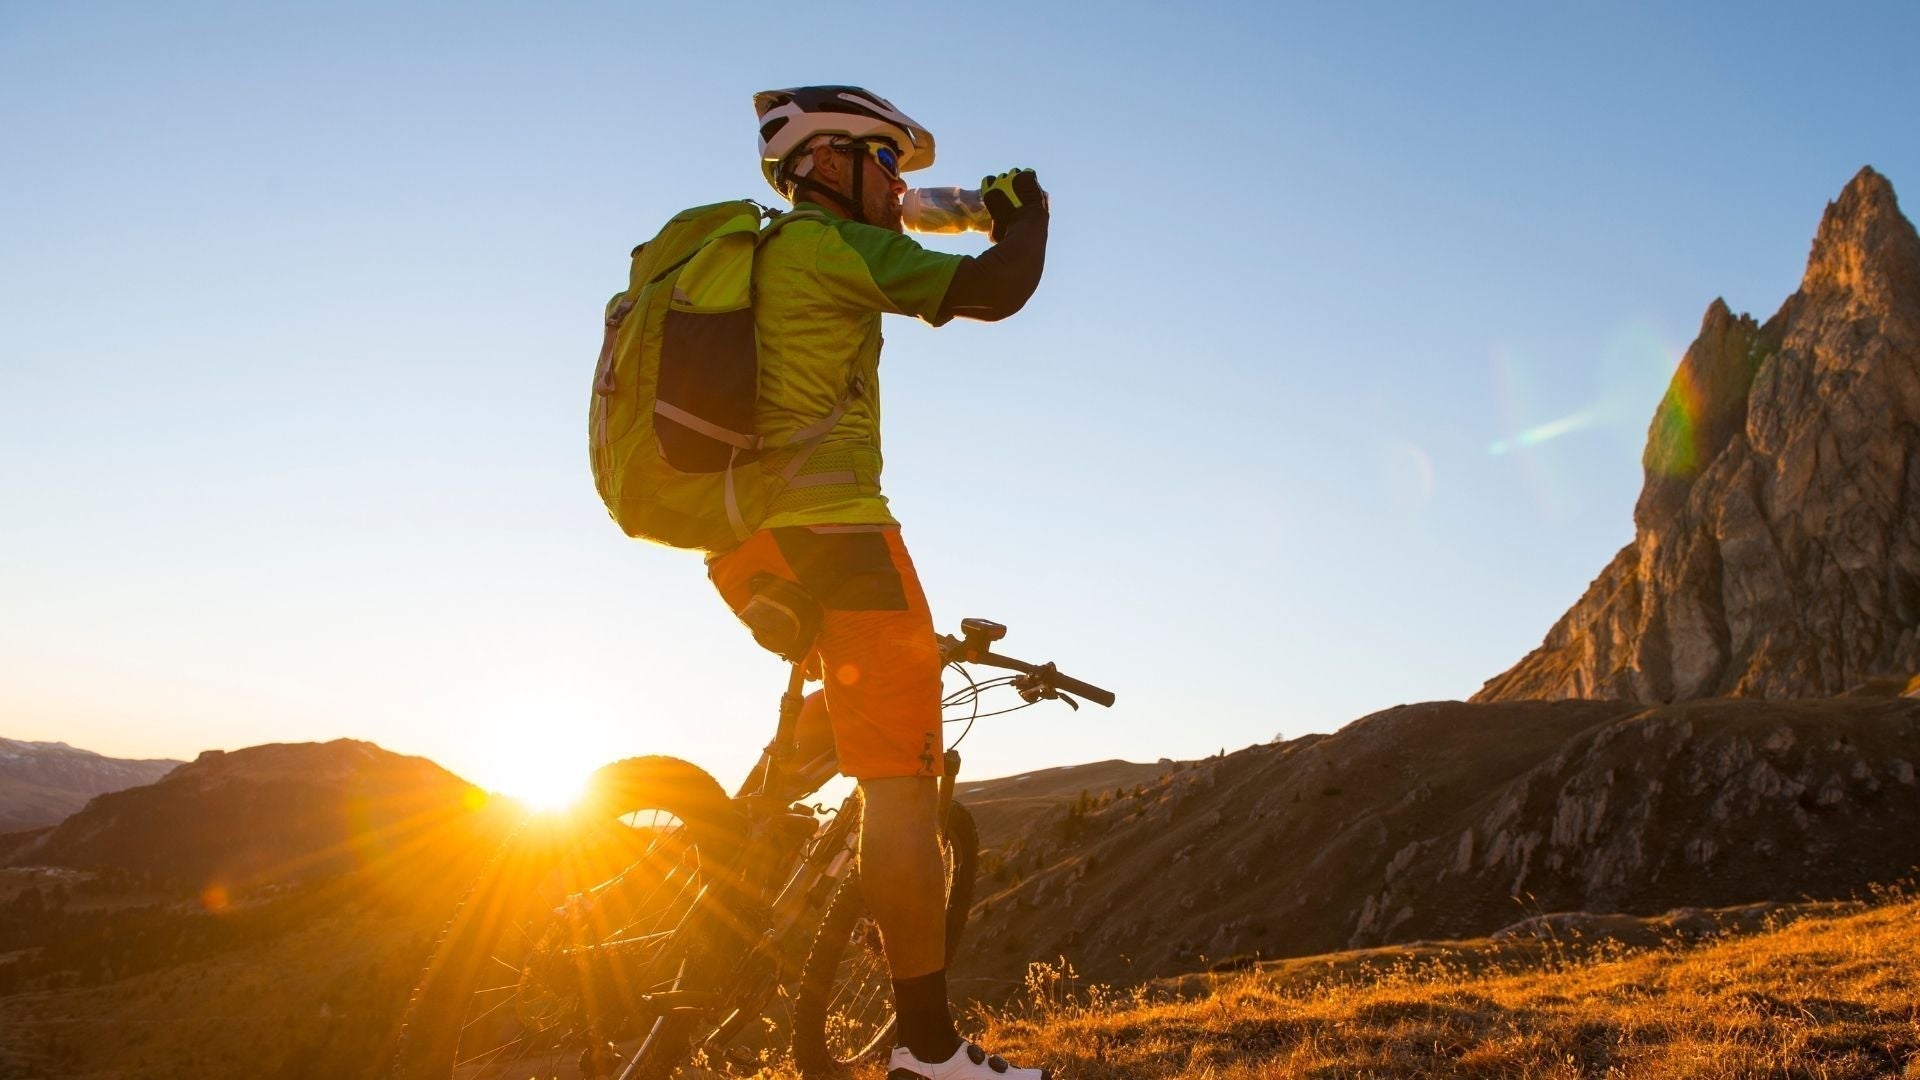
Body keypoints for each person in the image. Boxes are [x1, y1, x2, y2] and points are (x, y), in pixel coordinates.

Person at [705, 86, 1051, 1080]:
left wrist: (969, 200)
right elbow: (992, 290)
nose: (900, 182)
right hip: (840, 537)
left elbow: (905, 208)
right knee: (901, 792)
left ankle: (723, 874)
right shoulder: (830, 248)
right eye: (884, 160)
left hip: (742, 543)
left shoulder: (764, 254)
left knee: (845, 709)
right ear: (826, 162)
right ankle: (927, 1051)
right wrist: (1026, 220)